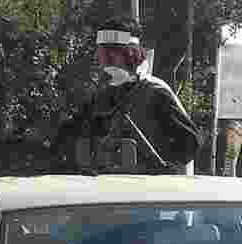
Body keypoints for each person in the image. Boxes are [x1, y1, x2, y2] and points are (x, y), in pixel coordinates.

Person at [55, 16, 201, 173]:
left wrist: (159, 169)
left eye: (113, 52)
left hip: (150, 190)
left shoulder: (156, 91)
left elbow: (189, 143)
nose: (106, 58)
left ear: (131, 53)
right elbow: (73, 133)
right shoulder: (103, 95)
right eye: (104, 52)